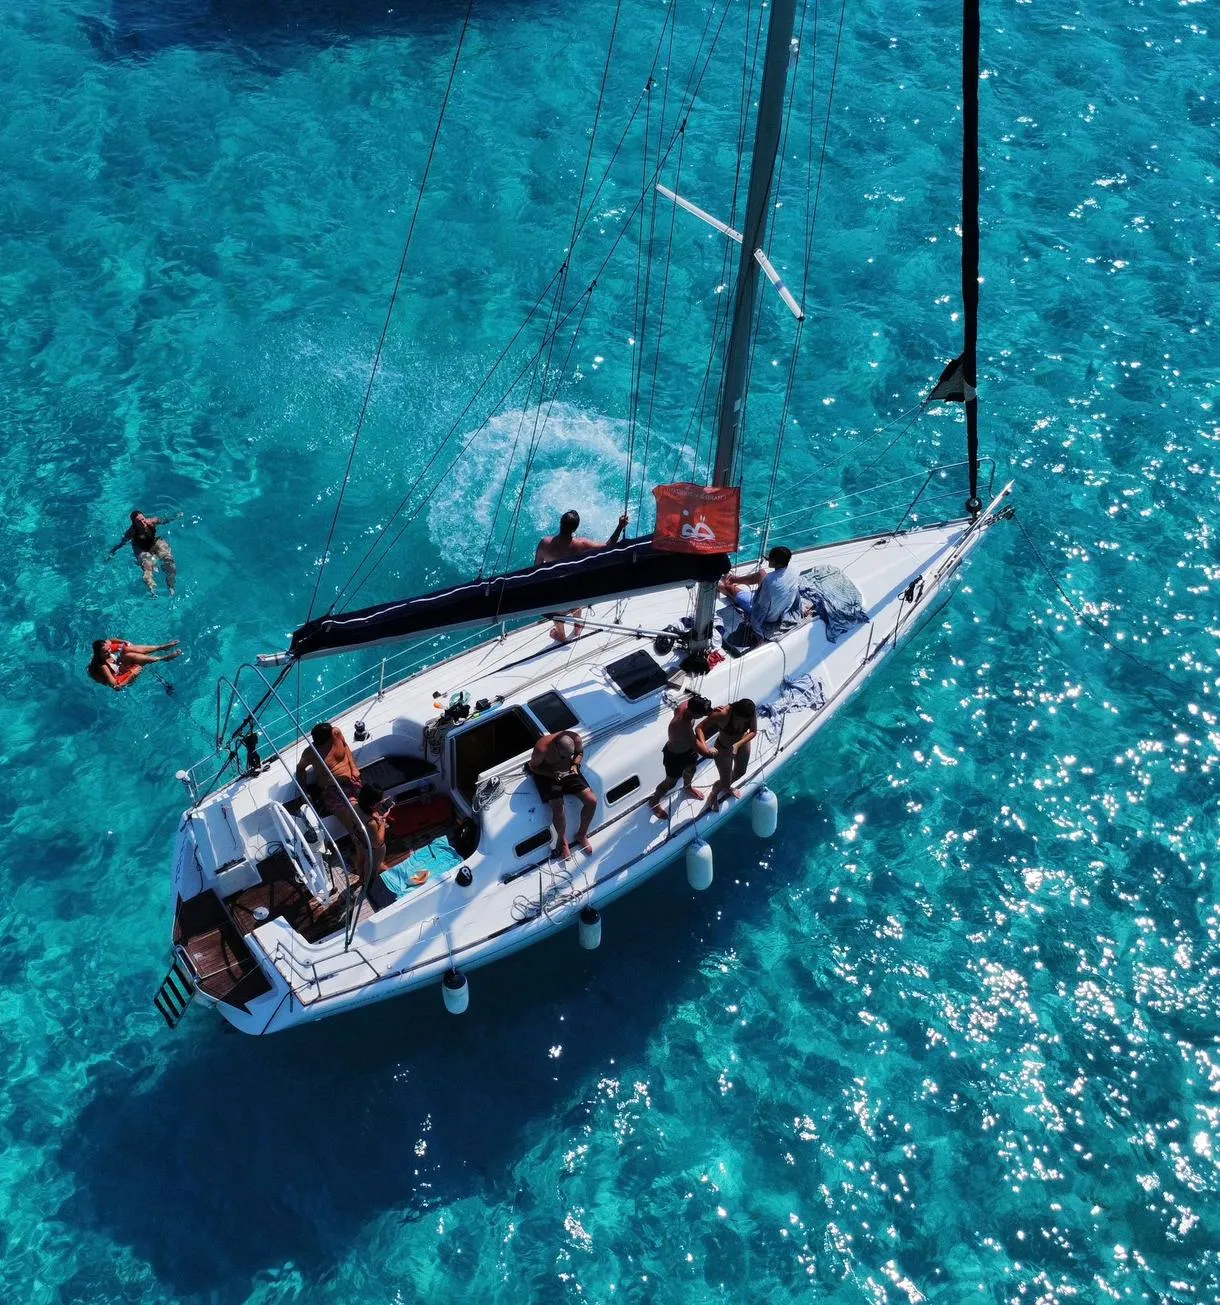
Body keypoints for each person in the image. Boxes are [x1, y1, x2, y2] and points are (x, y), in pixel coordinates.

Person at [534, 508, 629, 643]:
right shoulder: (581, 544)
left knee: (556, 615)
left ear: (560, 524)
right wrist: (620, 526)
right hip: (575, 590)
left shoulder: (544, 543)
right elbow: (609, 546)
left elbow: (536, 570)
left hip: (555, 593)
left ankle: (561, 635)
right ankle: (578, 626)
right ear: (575, 529)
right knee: (576, 599)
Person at [527, 728, 597, 858]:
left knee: (592, 801)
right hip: (548, 775)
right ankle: (562, 841)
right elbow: (533, 767)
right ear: (555, 746)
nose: (567, 758)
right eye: (564, 756)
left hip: (570, 771)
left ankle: (581, 834)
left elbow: (579, 753)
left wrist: (575, 764)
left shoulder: (575, 738)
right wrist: (552, 774)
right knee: (559, 807)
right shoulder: (542, 749)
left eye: (568, 756)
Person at [648, 694, 716, 819]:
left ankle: (687, 787)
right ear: (694, 712)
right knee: (670, 783)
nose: (702, 717)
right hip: (675, 756)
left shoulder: (685, 705)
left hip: (688, 750)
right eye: (701, 715)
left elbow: (702, 711)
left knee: (691, 769)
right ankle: (653, 800)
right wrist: (720, 752)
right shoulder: (683, 727)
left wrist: (713, 711)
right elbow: (705, 752)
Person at [719, 545, 803, 642]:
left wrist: (757, 631)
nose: (768, 561)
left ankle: (720, 584)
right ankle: (733, 579)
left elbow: (760, 610)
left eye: (769, 559)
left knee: (727, 588)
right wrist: (799, 609)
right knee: (761, 573)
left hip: (769, 617)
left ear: (775, 562)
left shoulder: (770, 582)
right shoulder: (794, 568)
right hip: (782, 607)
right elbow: (795, 592)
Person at [295, 722, 363, 839]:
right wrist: (304, 792)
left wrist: (354, 767)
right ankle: (359, 843)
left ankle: (371, 837)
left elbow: (345, 746)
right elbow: (300, 769)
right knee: (349, 820)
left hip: (352, 780)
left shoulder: (336, 733)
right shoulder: (311, 753)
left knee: (363, 810)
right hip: (331, 790)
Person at [697, 698, 758, 809]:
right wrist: (705, 747)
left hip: (742, 744)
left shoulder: (750, 711)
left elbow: (753, 731)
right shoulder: (723, 713)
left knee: (741, 772)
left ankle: (727, 786)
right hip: (723, 748)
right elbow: (699, 728)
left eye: (747, 720)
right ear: (735, 712)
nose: (745, 722)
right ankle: (714, 794)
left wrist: (737, 745)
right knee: (724, 781)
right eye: (742, 719)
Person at [109, 510, 180, 596]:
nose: (143, 523)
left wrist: (177, 516)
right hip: (141, 549)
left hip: (154, 542)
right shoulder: (131, 532)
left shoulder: (152, 522)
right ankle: (152, 588)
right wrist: (112, 552)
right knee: (147, 565)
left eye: (143, 519)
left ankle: (170, 583)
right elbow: (121, 543)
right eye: (139, 522)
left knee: (168, 558)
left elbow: (165, 520)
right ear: (134, 524)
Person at [87, 638, 181, 691]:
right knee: (130, 655)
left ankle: (161, 647)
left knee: (127, 650)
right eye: (105, 652)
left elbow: (110, 640)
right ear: (98, 654)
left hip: (120, 666)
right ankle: (163, 658)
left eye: (108, 649)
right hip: (121, 677)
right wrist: (133, 673)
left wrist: (124, 641)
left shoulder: (106, 647)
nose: (109, 651)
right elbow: (116, 687)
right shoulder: (103, 667)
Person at [355, 783, 390, 882]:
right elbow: (377, 842)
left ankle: (361, 878)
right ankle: (368, 884)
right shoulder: (371, 823)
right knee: (372, 870)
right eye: (380, 802)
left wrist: (375, 814)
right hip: (375, 850)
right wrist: (382, 822)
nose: (381, 803)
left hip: (360, 841)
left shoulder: (355, 807)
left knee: (360, 862)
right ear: (372, 804)